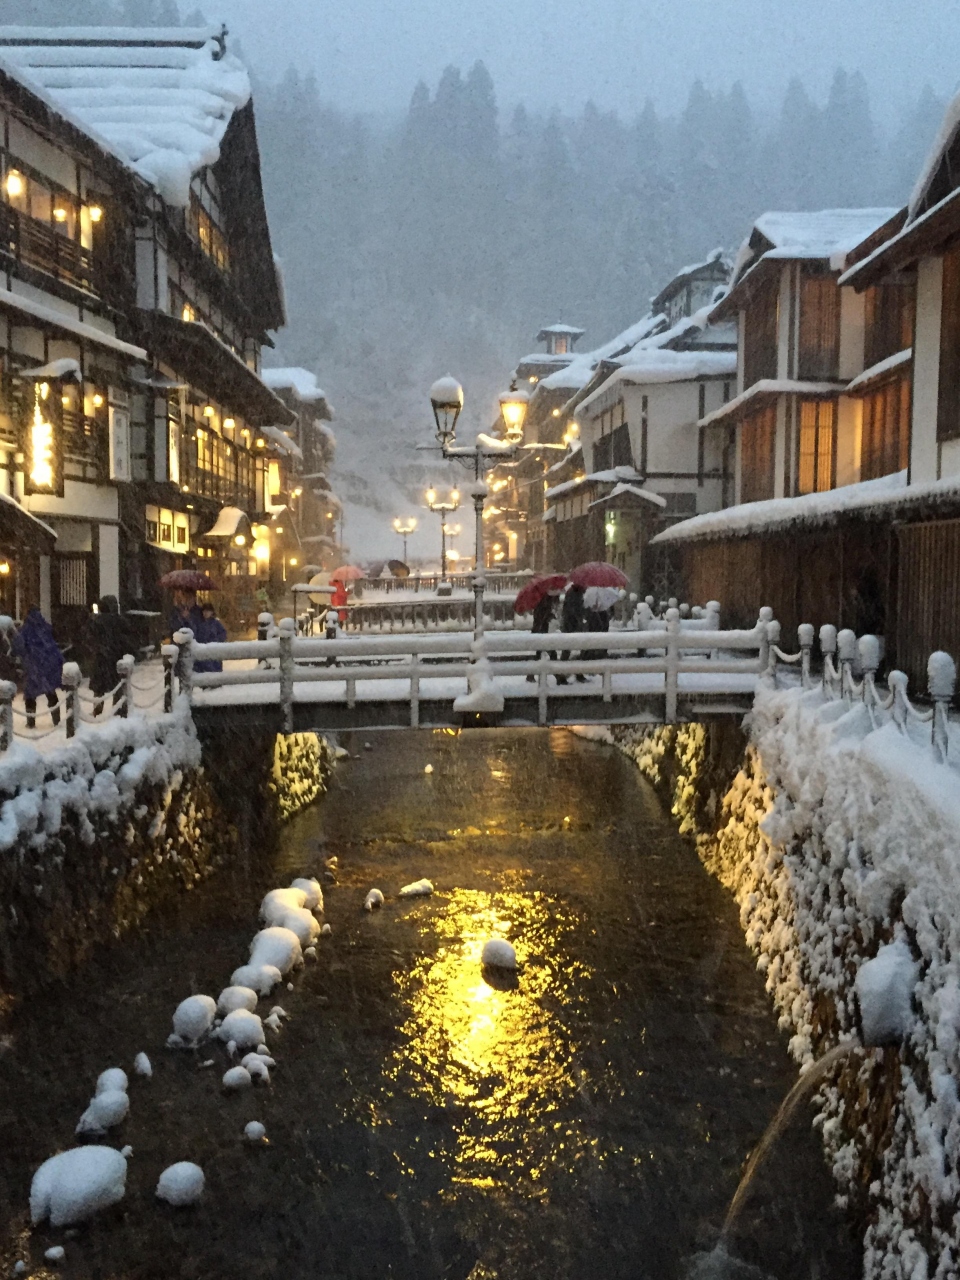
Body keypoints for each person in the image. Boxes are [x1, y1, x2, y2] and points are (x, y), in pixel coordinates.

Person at [12, 608, 62, 729]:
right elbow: (52, 642)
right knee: (50, 692)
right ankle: (57, 720)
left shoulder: (25, 630)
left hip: (33, 666)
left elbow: (18, 647)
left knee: (30, 695)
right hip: (47, 665)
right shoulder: (45, 627)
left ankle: (31, 722)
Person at [89, 595, 132, 717]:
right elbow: (128, 635)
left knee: (99, 688)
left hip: (101, 657)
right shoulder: (120, 621)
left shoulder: (97, 621)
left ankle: (97, 710)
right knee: (117, 685)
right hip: (116, 656)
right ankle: (118, 709)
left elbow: (90, 636)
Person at [526, 588, 560, 682]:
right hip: (541, 632)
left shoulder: (543, 600)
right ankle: (558, 675)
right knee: (551, 654)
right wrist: (549, 616)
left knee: (540, 655)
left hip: (541, 631)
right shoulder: (544, 602)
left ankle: (530, 675)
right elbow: (540, 617)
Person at [559, 583, 587, 684]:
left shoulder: (574, 593)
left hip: (570, 624)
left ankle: (572, 673)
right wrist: (580, 619)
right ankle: (562, 675)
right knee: (569, 650)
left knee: (572, 650)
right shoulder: (574, 594)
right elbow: (573, 610)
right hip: (571, 625)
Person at [193, 601, 227, 674]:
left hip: (214, 650)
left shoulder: (216, 623)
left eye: (208, 611)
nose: (206, 613)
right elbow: (195, 635)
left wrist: (216, 640)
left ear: (212, 612)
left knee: (214, 671)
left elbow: (223, 634)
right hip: (202, 650)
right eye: (204, 611)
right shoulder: (198, 624)